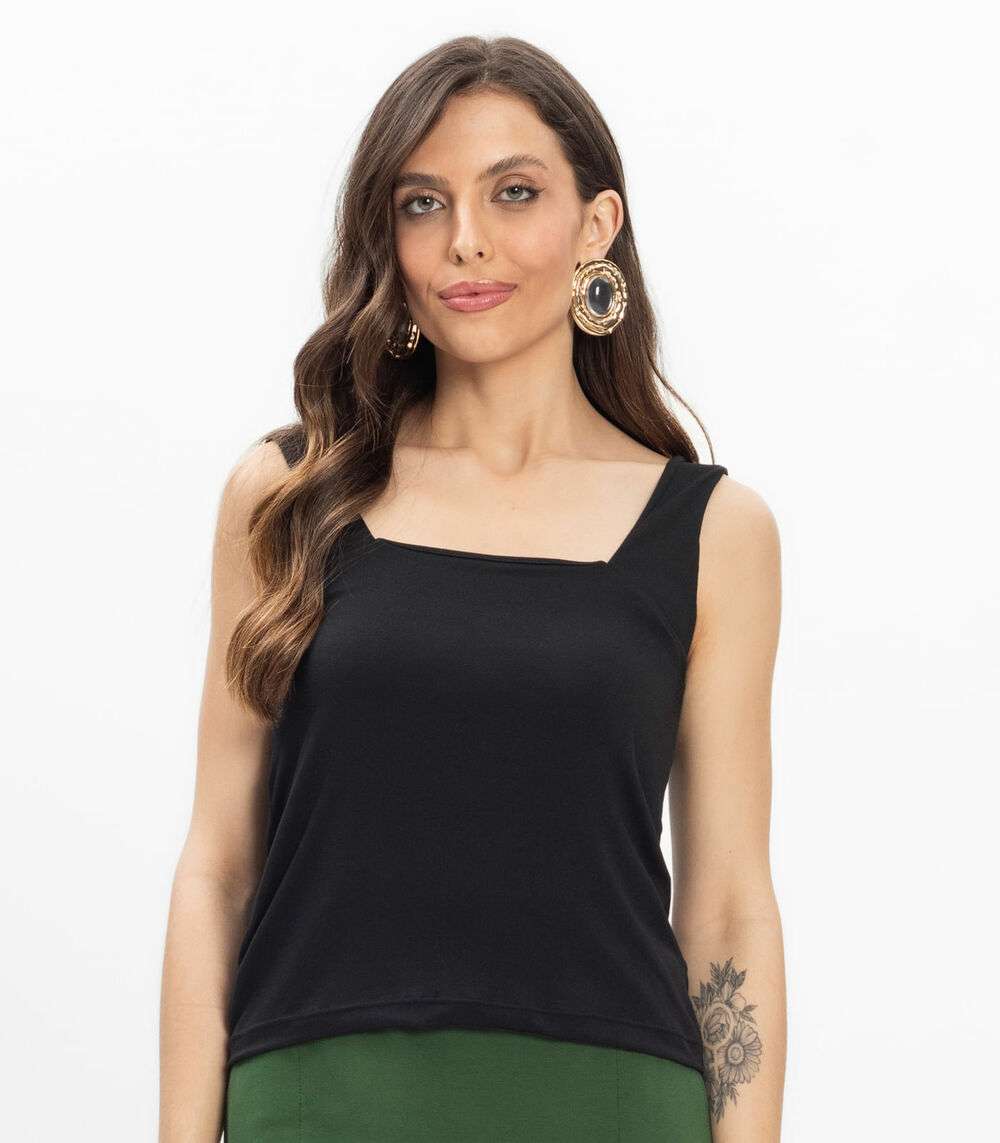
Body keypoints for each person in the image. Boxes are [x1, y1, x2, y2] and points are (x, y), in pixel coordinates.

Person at [159, 34, 786, 1143]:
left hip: (611, 1109)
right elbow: (218, 866)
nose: (465, 240)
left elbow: (729, 906)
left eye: (514, 192)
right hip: (317, 1104)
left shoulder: (713, 532)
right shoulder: (289, 495)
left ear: (597, 224)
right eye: (422, 203)